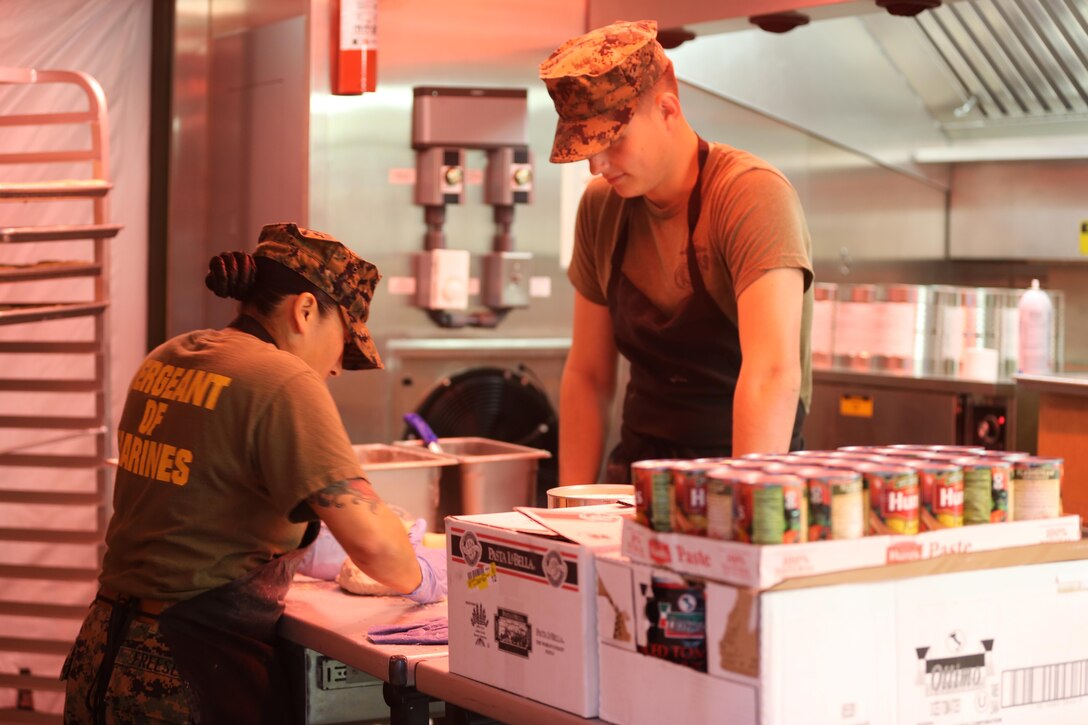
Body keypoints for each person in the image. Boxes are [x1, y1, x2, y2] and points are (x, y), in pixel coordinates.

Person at [62, 223, 447, 724]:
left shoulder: (167, 357)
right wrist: (429, 577)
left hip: (101, 655)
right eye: (343, 339)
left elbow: (204, 505)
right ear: (305, 310)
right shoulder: (283, 379)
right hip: (185, 671)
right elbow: (377, 547)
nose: (336, 366)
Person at [539, 19, 814, 484]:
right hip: (640, 474)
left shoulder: (749, 195)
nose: (597, 165)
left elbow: (771, 374)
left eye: (612, 141)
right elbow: (588, 375)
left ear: (667, 108)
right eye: (587, 146)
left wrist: (742, 507)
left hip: (746, 467)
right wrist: (569, 506)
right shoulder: (601, 207)